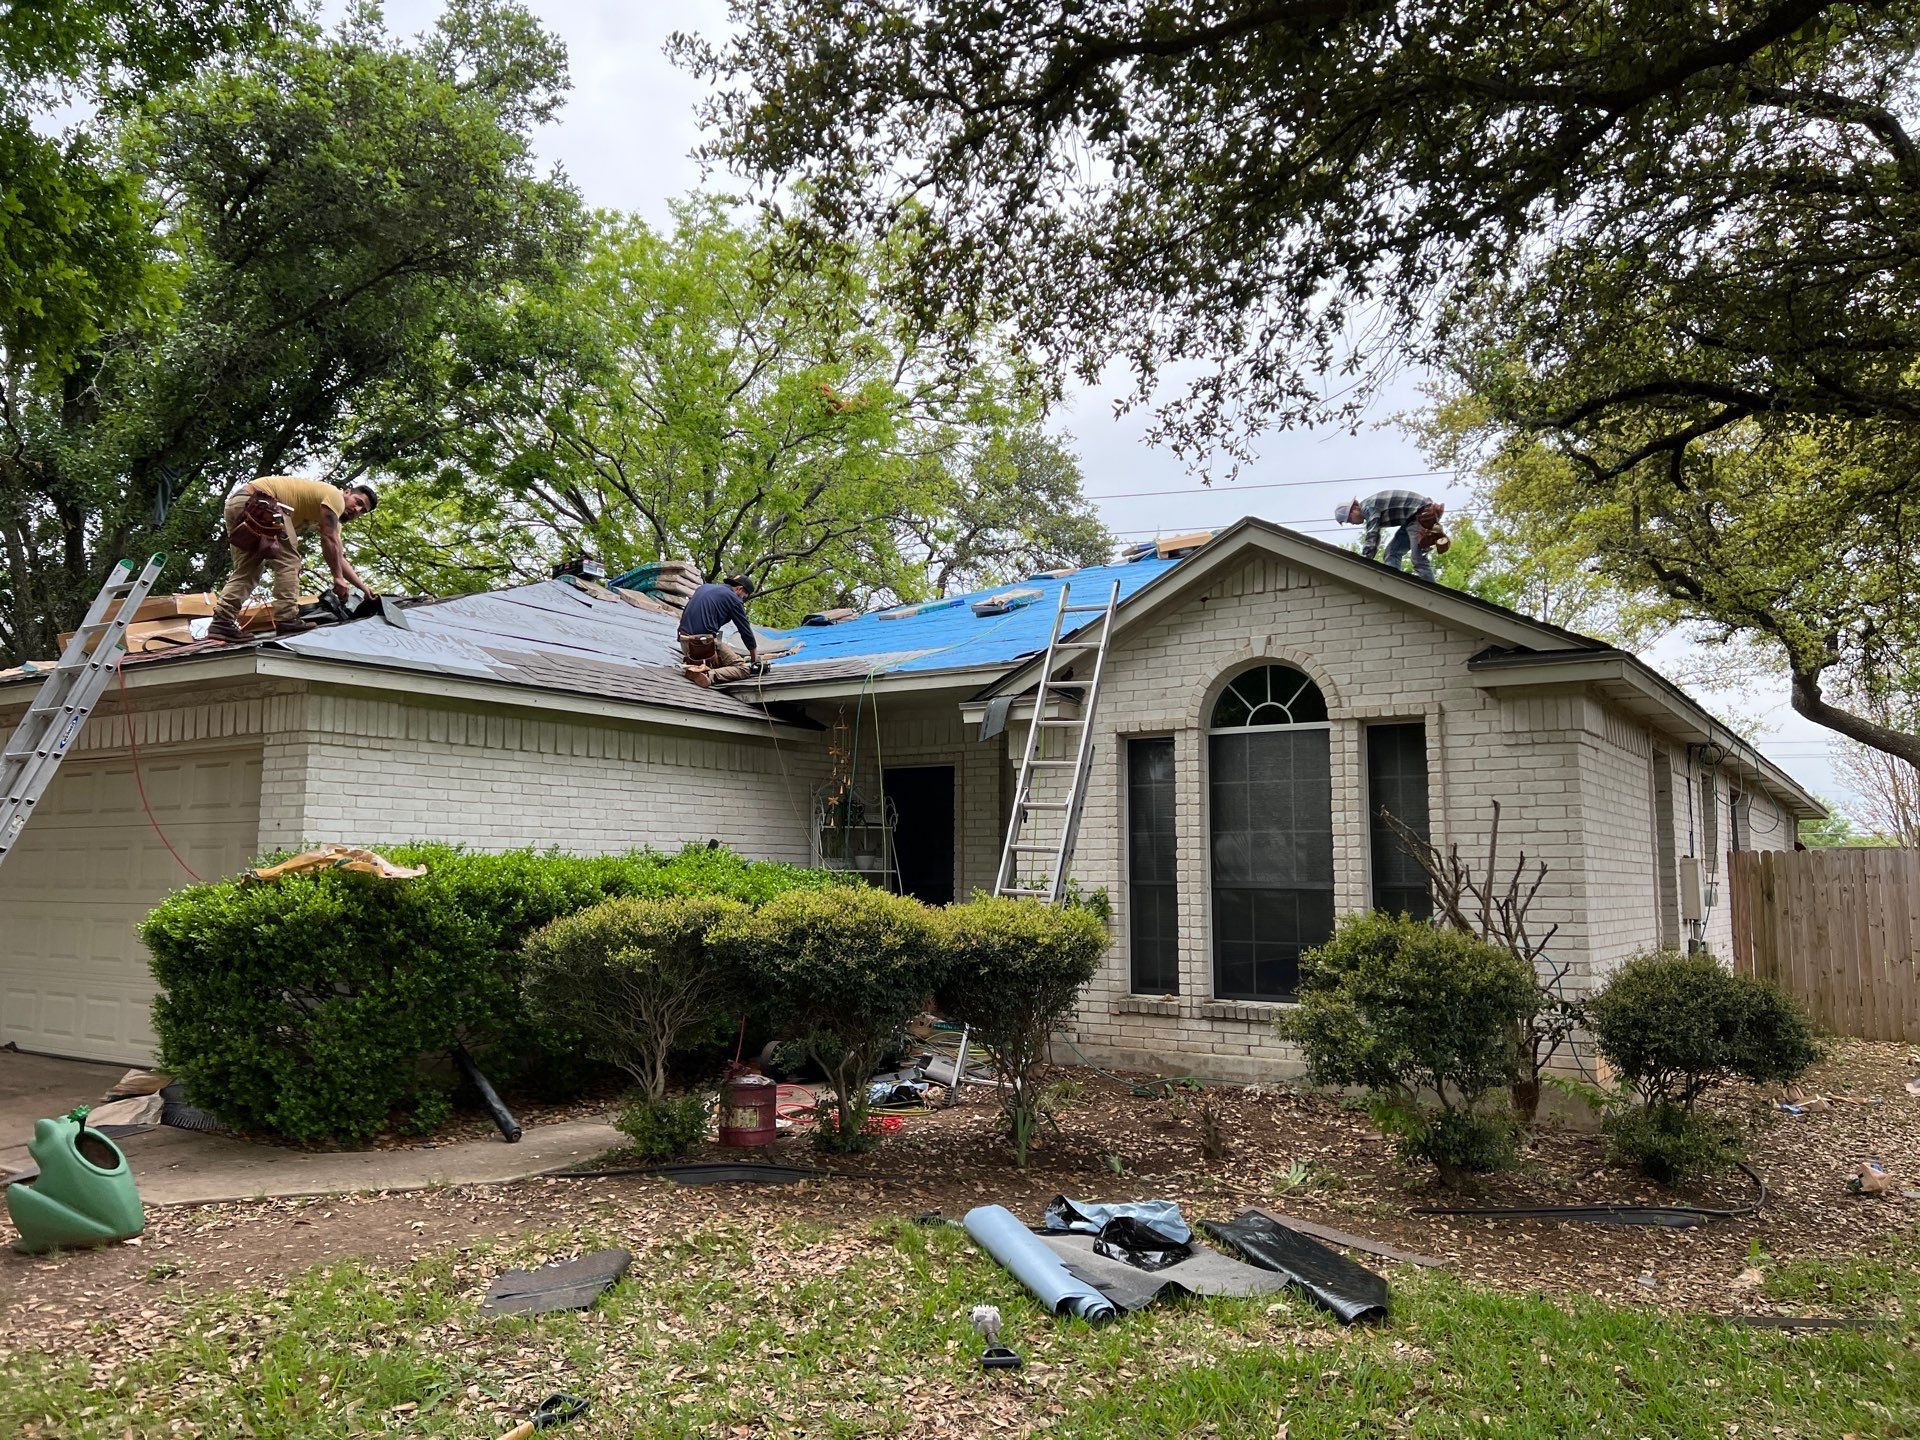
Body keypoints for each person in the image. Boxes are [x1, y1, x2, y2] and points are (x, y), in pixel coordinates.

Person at [210, 475, 379, 643]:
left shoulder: (332, 519)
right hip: (262, 504)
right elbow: (329, 538)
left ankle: (222, 622)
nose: (357, 510)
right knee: (289, 562)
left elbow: (338, 557)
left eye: (363, 511)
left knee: (249, 569)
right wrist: (338, 578)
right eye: (358, 502)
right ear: (347, 492)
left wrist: (362, 587)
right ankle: (287, 619)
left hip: (239, 503)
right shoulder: (335, 497)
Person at [1334, 490, 1450, 581]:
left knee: (1418, 559)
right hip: (1411, 519)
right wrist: (1368, 558)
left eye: (1349, 520)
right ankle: (1396, 586)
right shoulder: (1369, 508)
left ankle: (1432, 593)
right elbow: (1375, 536)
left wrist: (1364, 563)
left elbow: (1372, 535)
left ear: (1354, 509)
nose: (1352, 523)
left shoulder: (1367, 507)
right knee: (1391, 554)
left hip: (1420, 514)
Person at [678, 574, 764, 687]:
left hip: (685, 643)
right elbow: (746, 632)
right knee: (743, 668)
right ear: (739, 589)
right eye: (744, 597)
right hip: (702, 645)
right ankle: (706, 674)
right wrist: (754, 661)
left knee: (723, 660)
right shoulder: (733, 599)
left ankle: (696, 667)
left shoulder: (704, 587)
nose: (742, 599)